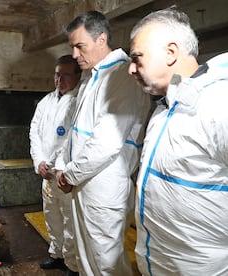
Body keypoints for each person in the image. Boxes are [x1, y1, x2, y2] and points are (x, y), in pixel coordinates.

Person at [128, 8, 228, 275]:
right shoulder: (166, 107)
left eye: (137, 58)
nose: (130, 69)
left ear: (171, 53)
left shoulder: (219, 103)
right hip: (160, 261)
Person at [55, 11, 151, 275]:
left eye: (80, 46)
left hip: (104, 185)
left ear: (101, 40)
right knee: (87, 256)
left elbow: (106, 142)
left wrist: (70, 174)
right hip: (82, 181)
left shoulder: (121, 75)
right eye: (72, 47)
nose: (74, 54)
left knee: (105, 261)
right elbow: (75, 132)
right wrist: (63, 166)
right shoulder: (91, 78)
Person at [30, 54, 82, 275]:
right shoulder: (46, 101)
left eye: (66, 75)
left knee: (70, 219)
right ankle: (57, 254)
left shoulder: (80, 101)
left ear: (78, 76)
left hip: (65, 175)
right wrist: (39, 161)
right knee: (52, 216)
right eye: (57, 74)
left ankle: (72, 263)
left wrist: (58, 166)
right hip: (47, 173)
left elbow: (70, 139)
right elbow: (35, 133)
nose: (60, 79)